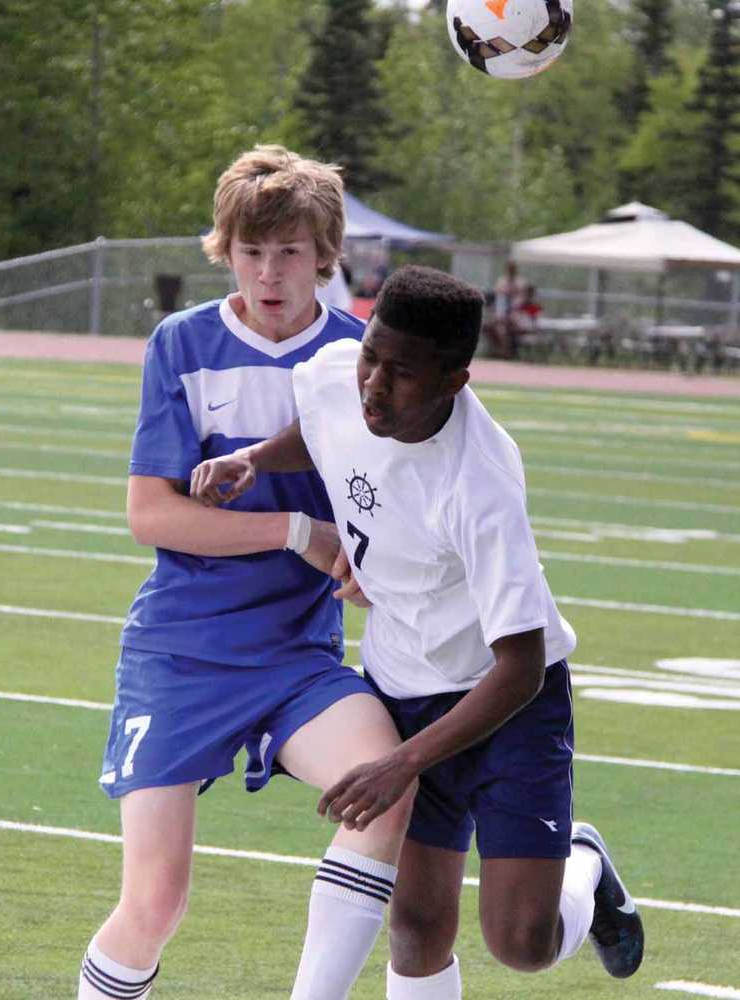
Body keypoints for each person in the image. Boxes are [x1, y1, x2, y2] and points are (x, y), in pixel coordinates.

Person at [191, 265, 645, 999]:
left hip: (504, 708)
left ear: (452, 381)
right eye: (372, 354)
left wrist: (402, 763)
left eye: (400, 373)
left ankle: (583, 865)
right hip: (403, 683)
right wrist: (251, 458)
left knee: (522, 942)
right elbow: (321, 428)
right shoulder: (345, 374)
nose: (372, 382)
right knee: (415, 927)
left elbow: (520, 668)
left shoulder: (480, 482)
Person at [77, 145, 417, 1000]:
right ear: (225, 250)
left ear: (324, 254)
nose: (269, 271)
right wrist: (298, 531)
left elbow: (392, 508)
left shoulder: (356, 356)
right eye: (251, 250)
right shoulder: (182, 344)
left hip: (297, 658)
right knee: (154, 903)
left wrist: (374, 561)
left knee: (385, 788)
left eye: (290, 251)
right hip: (181, 653)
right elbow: (149, 516)